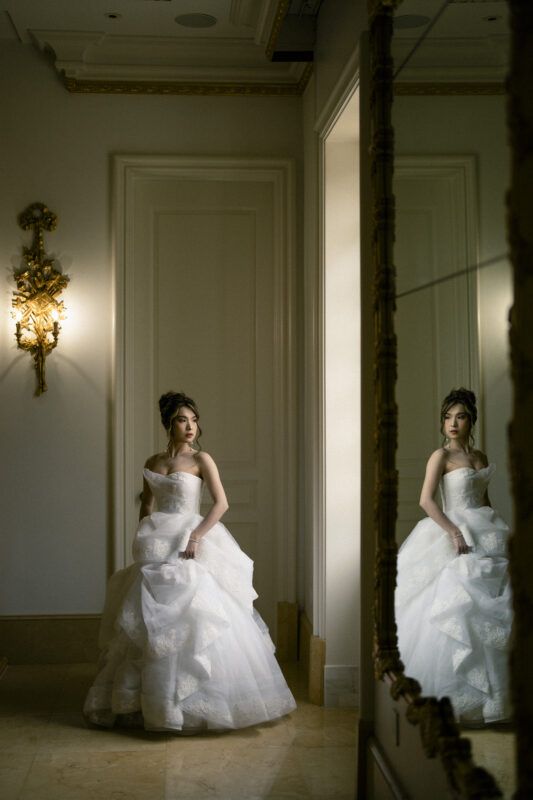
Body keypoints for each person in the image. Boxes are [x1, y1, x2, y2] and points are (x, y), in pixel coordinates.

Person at [84, 390, 296, 732]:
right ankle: (148, 704)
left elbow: (221, 504)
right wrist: (144, 536)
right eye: (183, 420)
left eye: (194, 420)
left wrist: (196, 536)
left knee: (197, 616)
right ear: (169, 424)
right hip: (157, 545)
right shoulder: (153, 462)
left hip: (189, 539)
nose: (190, 426)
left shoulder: (202, 460)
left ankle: (194, 706)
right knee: (145, 621)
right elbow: (147, 506)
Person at [395, 388, 512, 725]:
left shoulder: (480, 457)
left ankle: (498, 702)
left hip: (485, 531)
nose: (452, 423)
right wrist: (455, 532)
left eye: (459, 416)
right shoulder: (440, 457)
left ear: (470, 419)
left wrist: (499, 534)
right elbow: (426, 501)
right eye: (447, 417)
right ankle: (460, 699)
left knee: (496, 611)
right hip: (453, 532)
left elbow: (485, 501)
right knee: (457, 608)